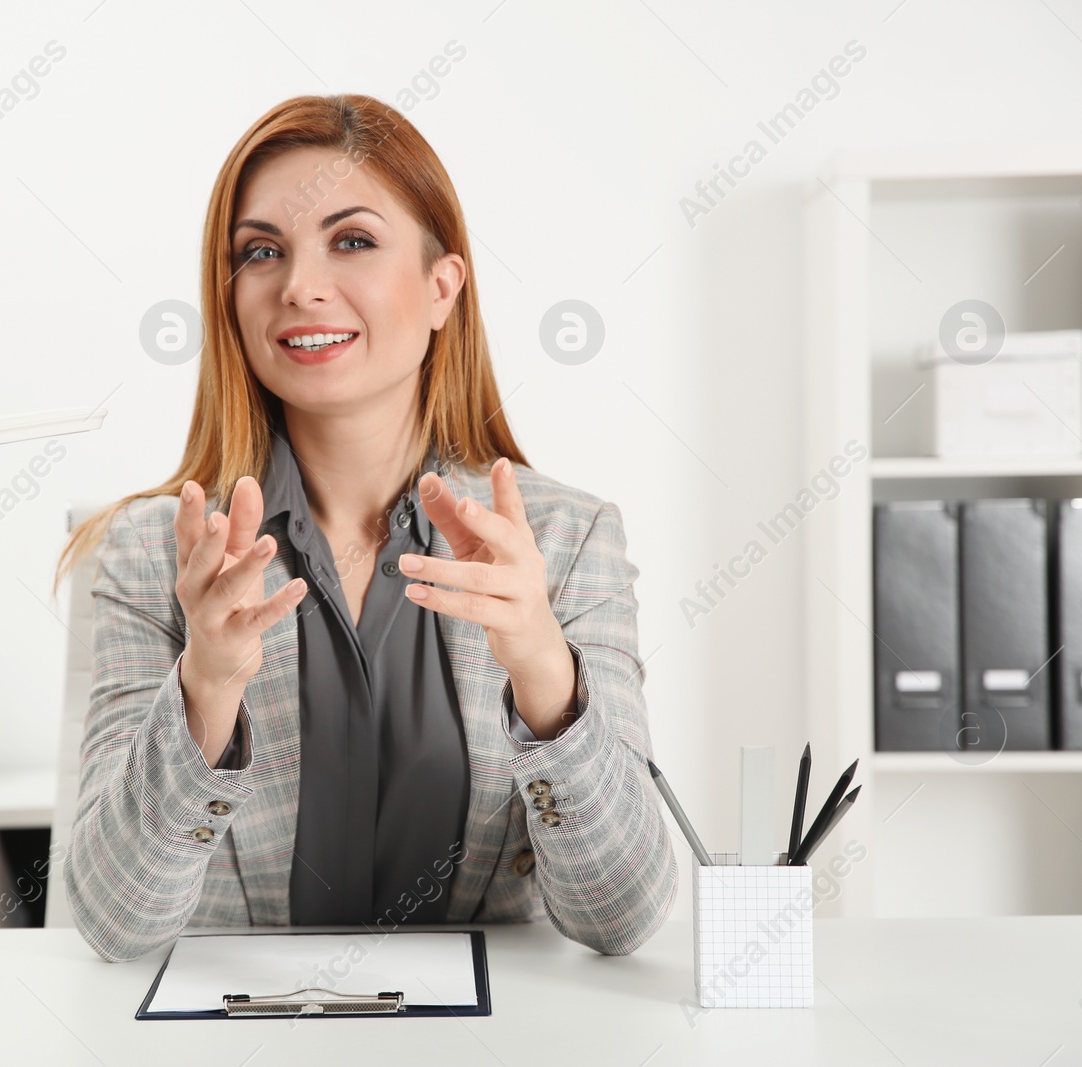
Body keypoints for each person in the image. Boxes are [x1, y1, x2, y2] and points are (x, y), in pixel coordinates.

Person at [55, 93, 676, 963]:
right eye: (261, 251)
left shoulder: (565, 541)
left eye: (352, 240)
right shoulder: (154, 552)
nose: (300, 285)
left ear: (440, 287)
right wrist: (203, 691)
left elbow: (622, 918)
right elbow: (114, 925)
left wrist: (543, 669)